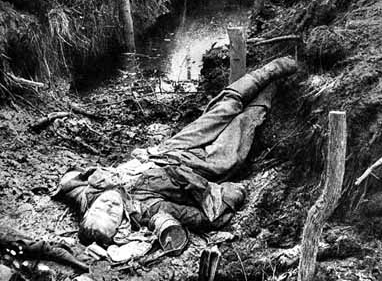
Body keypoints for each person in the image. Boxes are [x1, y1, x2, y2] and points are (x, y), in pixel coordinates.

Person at [55, 57, 297, 256]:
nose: (108, 205)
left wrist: (72, 180)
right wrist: (231, 194)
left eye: (100, 208)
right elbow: (197, 218)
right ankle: (275, 88)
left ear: (89, 207)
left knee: (223, 109)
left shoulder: (91, 192)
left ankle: (269, 71)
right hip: (203, 166)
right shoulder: (147, 210)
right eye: (111, 216)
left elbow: (68, 184)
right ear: (122, 224)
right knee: (242, 126)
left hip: (169, 151)